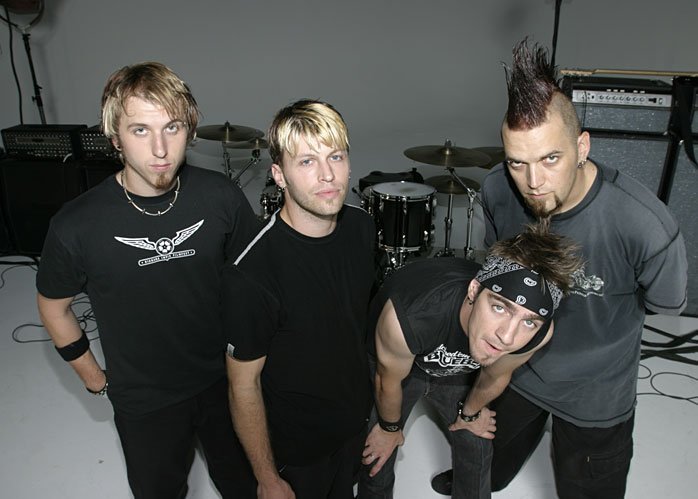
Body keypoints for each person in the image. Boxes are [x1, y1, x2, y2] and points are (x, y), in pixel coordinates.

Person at [432, 39, 688, 498]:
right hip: (517, 369)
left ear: (582, 146)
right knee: (484, 464)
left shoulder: (644, 225)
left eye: (551, 158)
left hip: (595, 395)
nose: (534, 183)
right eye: (518, 162)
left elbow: (666, 304)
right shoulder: (497, 189)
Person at [36, 62, 259, 498]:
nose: (160, 148)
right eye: (140, 130)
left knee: (245, 485)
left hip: (227, 380)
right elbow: (53, 307)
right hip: (145, 400)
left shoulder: (221, 196)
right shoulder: (76, 224)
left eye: (172, 127)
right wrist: (94, 379)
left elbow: (252, 282)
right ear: (115, 137)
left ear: (189, 130)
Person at [357, 222, 584, 499]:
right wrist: (389, 429)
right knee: (377, 452)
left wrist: (469, 415)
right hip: (402, 364)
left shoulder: (537, 334)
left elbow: (495, 375)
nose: (507, 337)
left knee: (477, 442)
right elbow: (387, 380)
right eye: (499, 307)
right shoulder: (410, 316)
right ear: (474, 291)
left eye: (528, 321)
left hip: (458, 367)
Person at [223, 99, 377, 498]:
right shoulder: (252, 273)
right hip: (296, 448)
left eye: (336, 156)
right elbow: (243, 386)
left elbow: (359, 330)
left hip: (353, 425)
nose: (328, 174)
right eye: (307, 161)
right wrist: (267, 477)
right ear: (279, 175)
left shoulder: (362, 228)